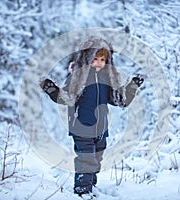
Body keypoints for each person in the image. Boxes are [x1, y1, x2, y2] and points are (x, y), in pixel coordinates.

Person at [40, 37, 144, 196]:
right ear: (86, 58)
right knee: (86, 159)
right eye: (95, 58)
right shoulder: (78, 79)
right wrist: (52, 90)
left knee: (96, 159)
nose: (99, 62)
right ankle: (83, 190)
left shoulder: (107, 80)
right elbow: (67, 98)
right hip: (82, 126)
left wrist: (132, 86)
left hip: (101, 128)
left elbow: (119, 100)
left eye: (103, 59)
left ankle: (91, 186)